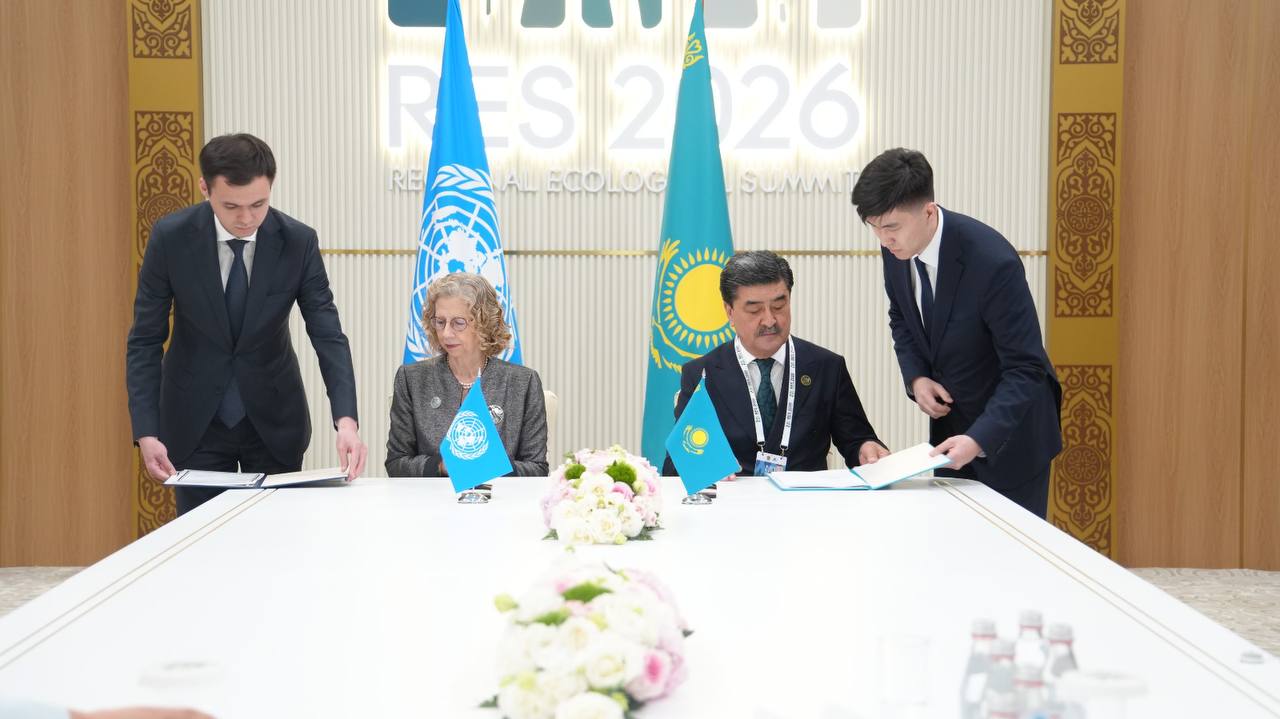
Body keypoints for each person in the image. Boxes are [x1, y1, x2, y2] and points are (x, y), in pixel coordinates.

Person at [126, 133, 367, 515]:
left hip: (274, 420)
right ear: (205, 188)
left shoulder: (297, 241)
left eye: (258, 204)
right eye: (231, 206)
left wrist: (346, 421)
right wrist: (147, 431)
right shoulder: (171, 238)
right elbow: (145, 339)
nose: (246, 218)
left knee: (276, 541)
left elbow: (327, 334)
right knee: (203, 540)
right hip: (194, 422)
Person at [851, 148, 1062, 518]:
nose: (883, 240)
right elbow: (901, 316)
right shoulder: (896, 250)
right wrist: (916, 376)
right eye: (874, 227)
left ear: (928, 211)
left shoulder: (992, 262)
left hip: (1011, 436)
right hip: (951, 433)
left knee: (1008, 547)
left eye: (891, 228)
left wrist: (980, 438)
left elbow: (1026, 368)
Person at [662, 251, 888, 476]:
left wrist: (866, 448)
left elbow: (857, 440)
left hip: (806, 497)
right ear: (729, 312)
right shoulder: (703, 374)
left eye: (779, 306)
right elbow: (676, 464)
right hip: (734, 497)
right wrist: (704, 468)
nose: (770, 320)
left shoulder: (826, 367)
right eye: (754, 310)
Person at [386, 273, 549, 477]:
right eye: (440, 322)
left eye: (458, 323)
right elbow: (396, 463)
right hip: (431, 496)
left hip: (499, 495)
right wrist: (441, 466)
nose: (446, 333)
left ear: (484, 323)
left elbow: (537, 469)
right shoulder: (412, 379)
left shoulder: (523, 382)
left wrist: (487, 466)